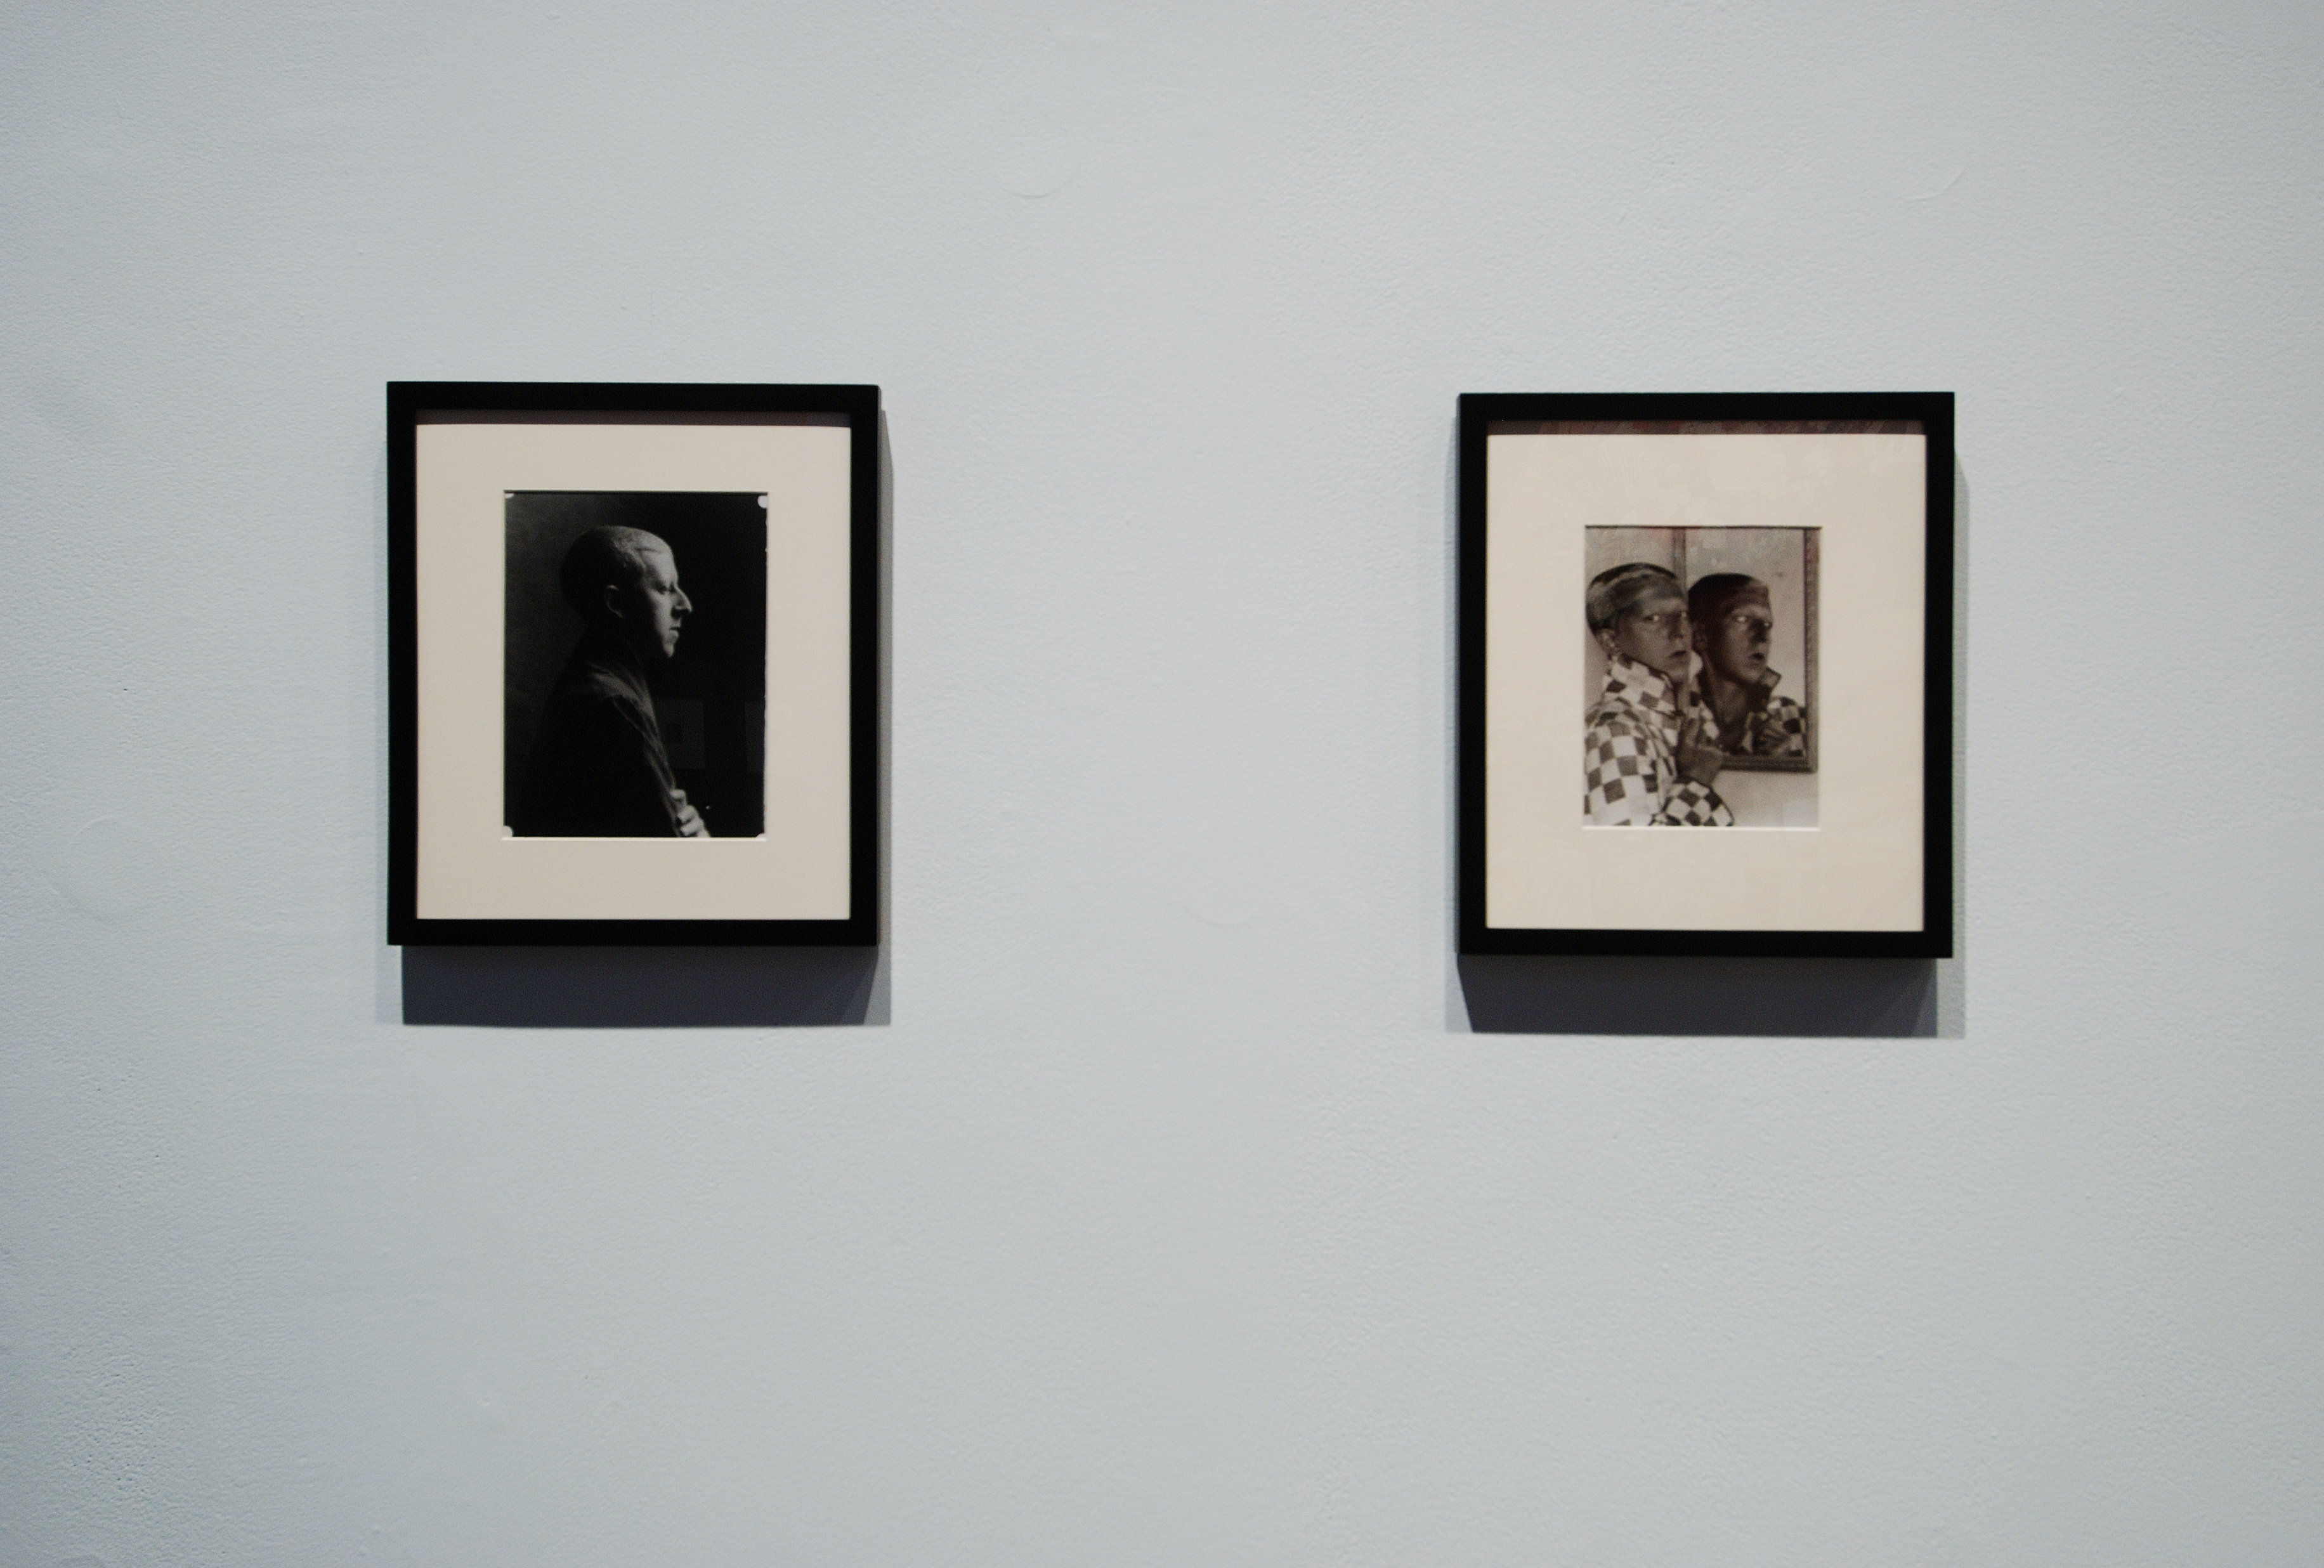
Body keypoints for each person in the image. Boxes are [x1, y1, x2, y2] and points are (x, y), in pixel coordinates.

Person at [511, 526, 710, 838]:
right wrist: (701, 840)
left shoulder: (600, 682)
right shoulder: (614, 704)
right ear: (615, 604)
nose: (685, 605)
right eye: (665, 588)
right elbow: (676, 852)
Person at [1582, 561, 1732, 826]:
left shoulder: (1684, 715)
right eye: (1653, 619)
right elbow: (1634, 857)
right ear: (1610, 641)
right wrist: (1696, 779)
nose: (1679, 632)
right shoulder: (1616, 728)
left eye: (1683, 616)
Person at [1686, 572, 1807, 759]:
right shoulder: (1674, 717)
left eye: (1767, 624)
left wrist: (1787, 767)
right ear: (1701, 635)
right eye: (1742, 619)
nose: (1762, 637)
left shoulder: (1794, 720)